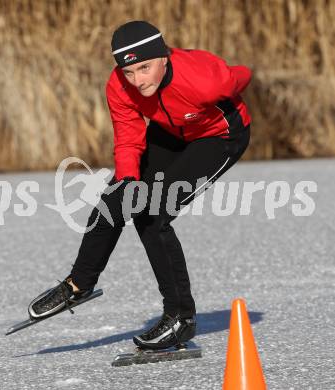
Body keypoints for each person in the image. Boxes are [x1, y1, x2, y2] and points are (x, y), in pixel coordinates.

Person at [28, 21, 252, 350]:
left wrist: (216, 87)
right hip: (169, 133)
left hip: (218, 137)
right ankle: (79, 283)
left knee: (153, 215)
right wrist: (130, 182)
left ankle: (181, 318)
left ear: (164, 57)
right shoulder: (119, 86)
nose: (138, 80)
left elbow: (242, 74)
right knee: (114, 199)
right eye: (129, 71)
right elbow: (128, 137)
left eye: (145, 68)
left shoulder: (206, 80)